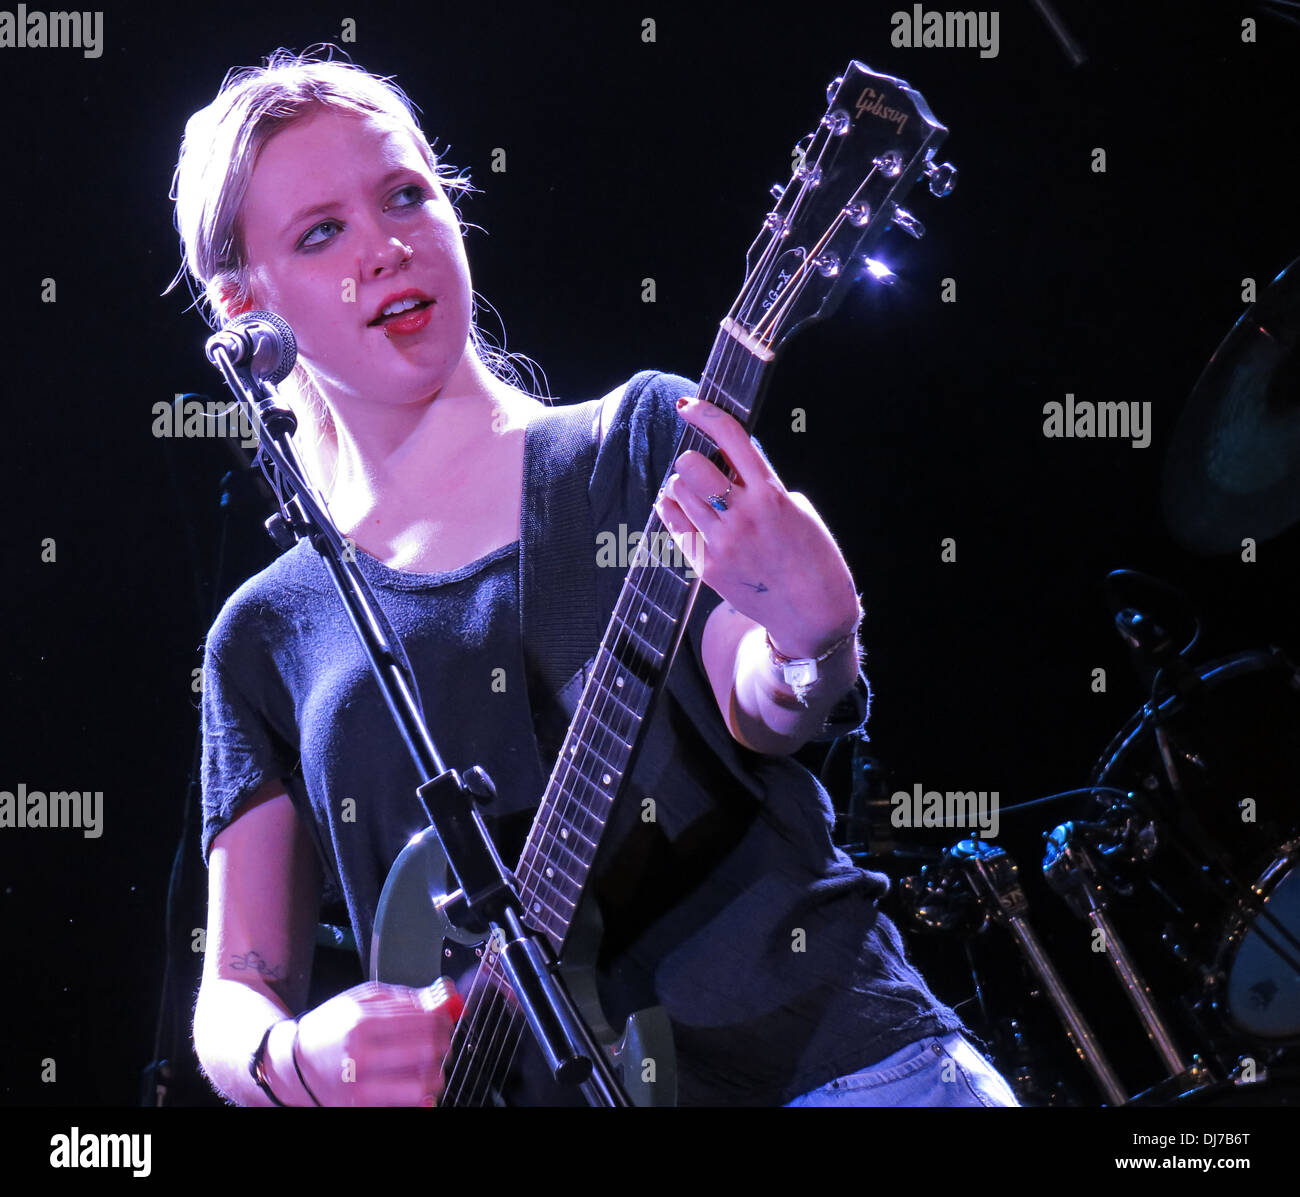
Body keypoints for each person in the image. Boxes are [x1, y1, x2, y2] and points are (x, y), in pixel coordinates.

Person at [169, 47, 1019, 1108]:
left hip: (836, 1070)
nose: (386, 247)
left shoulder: (634, 442)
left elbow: (760, 702)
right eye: (322, 232)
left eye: (403, 195)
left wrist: (813, 642)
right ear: (245, 304)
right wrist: (297, 1060)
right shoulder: (266, 634)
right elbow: (235, 991)